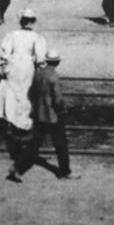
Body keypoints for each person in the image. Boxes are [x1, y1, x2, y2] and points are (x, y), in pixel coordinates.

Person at [0, 8, 47, 175]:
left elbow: (4, 53)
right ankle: (23, 122)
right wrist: (40, 67)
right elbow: (41, 57)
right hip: (28, 66)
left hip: (14, 66)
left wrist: (5, 66)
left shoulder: (12, 35)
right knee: (26, 95)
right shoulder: (36, 37)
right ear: (32, 21)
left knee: (13, 93)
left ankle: (12, 121)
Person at [25, 48, 75, 180]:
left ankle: (19, 167)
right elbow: (58, 99)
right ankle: (65, 172)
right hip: (52, 116)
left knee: (35, 143)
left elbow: (31, 93)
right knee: (61, 144)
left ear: (47, 61)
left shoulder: (38, 74)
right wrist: (62, 111)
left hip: (39, 114)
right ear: (57, 62)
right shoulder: (54, 77)